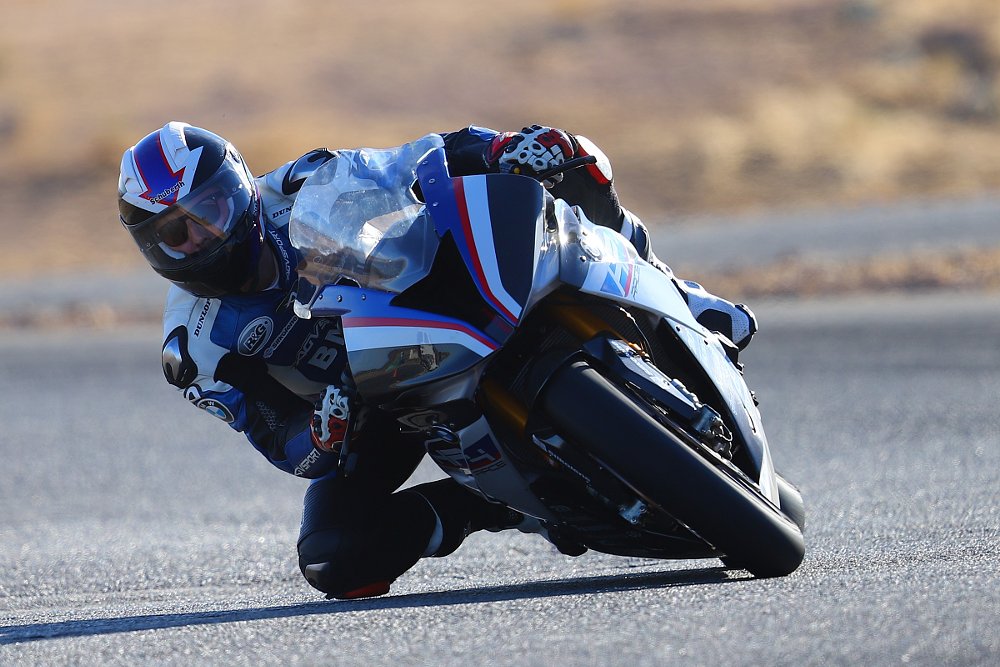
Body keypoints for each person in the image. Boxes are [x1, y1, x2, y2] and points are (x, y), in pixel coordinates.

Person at [118, 122, 757, 599]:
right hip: (377, 412)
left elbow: (409, 164)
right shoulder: (195, 347)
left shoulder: (295, 184)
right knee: (334, 559)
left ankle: (677, 295)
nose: (199, 236)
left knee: (572, 162)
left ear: (238, 188)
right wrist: (322, 433)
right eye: (176, 232)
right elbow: (277, 441)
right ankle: (498, 507)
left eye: (208, 211)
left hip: (418, 304)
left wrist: (502, 148)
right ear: (153, 249)